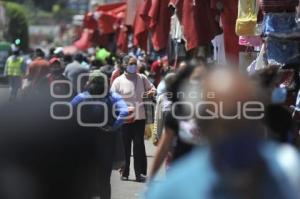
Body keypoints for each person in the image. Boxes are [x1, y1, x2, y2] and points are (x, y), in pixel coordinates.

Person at [146, 68, 300, 199]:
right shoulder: (173, 190)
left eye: (246, 117)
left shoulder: (288, 170)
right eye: (227, 122)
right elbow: (164, 144)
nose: (238, 130)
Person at [71, 71, 128, 199]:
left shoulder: (81, 97)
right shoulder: (113, 97)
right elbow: (124, 112)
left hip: (84, 146)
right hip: (106, 145)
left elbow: (68, 114)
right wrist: (114, 127)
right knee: (104, 181)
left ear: (89, 83)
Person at [149, 60, 207, 181]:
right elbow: (164, 147)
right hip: (180, 175)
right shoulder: (177, 111)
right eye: (197, 78)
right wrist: (151, 180)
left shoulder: (218, 110)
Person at [111, 56, 156, 182]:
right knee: (125, 147)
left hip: (140, 118)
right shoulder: (118, 81)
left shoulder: (142, 78)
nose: (134, 66)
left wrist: (152, 91)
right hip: (125, 119)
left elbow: (153, 88)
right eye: (131, 64)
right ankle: (124, 172)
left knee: (138, 146)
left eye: (135, 64)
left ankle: (138, 174)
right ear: (125, 65)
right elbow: (112, 98)